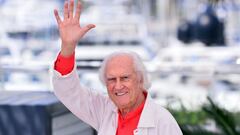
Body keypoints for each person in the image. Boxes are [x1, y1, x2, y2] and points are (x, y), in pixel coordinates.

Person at [52, 0, 183, 135]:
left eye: (125, 78)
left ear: (140, 79)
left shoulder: (163, 121)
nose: (118, 86)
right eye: (112, 79)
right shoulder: (104, 109)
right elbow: (68, 92)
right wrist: (68, 46)